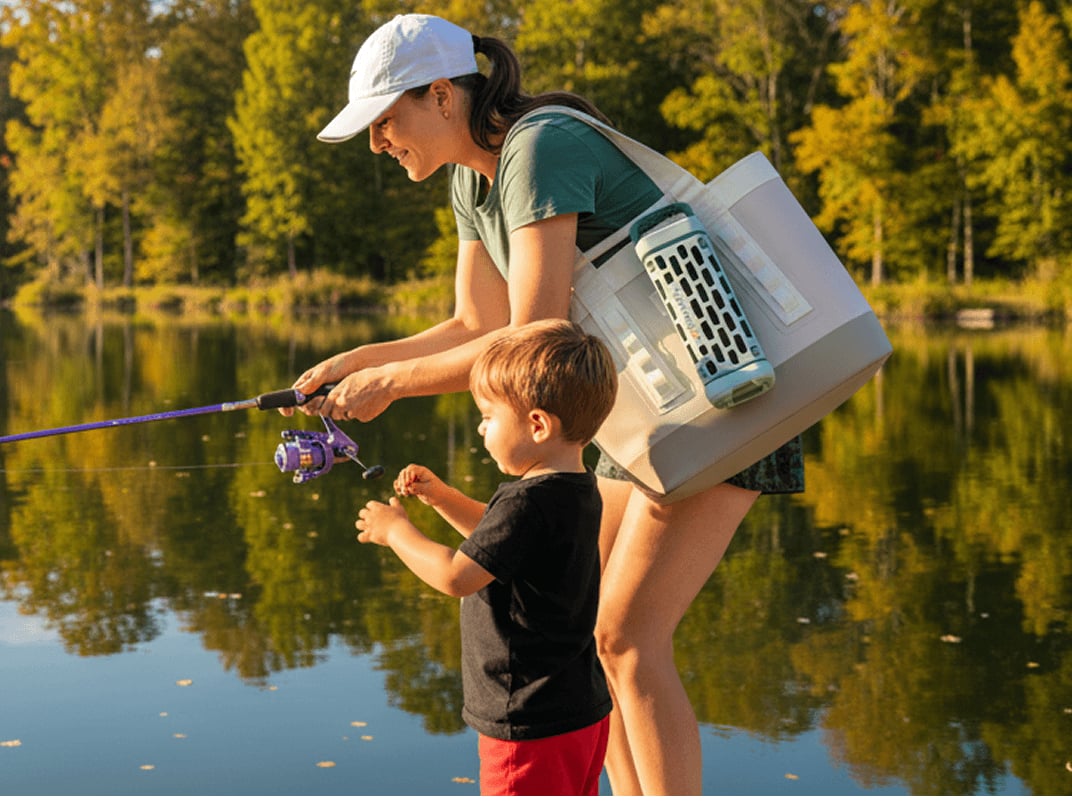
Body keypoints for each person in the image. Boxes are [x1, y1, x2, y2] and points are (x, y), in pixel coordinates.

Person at [292, 13, 804, 795]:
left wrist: (391, 385)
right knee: (600, 639)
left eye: (384, 121)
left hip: (711, 406)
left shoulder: (538, 147)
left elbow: (536, 333)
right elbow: (477, 325)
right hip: (643, 416)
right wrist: (357, 362)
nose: (377, 142)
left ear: (440, 97)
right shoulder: (474, 176)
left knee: (627, 640)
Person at [354, 319, 618, 795]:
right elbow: (503, 546)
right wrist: (444, 498)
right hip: (579, 710)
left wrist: (397, 533)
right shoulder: (574, 487)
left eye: (488, 417)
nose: (480, 428)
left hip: (528, 719)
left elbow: (458, 576)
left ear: (537, 424)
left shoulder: (526, 501)